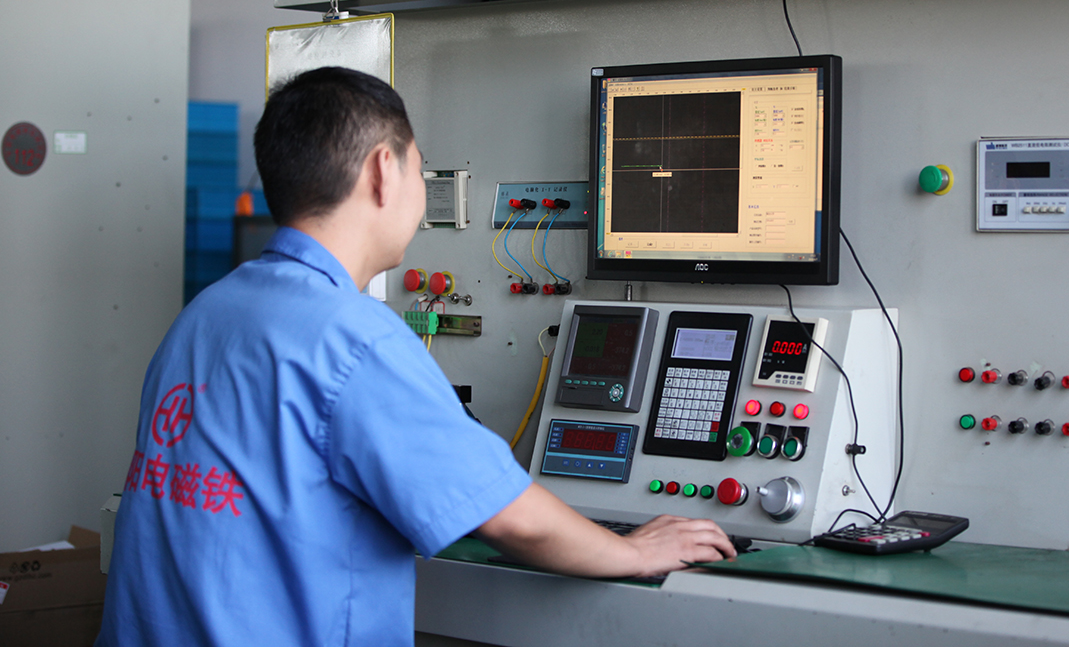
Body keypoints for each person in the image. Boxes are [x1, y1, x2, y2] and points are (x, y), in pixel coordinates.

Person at [96, 66, 734, 646]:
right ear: (382, 170)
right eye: (420, 168)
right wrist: (634, 550)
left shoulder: (205, 315)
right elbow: (512, 520)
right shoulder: (353, 338)